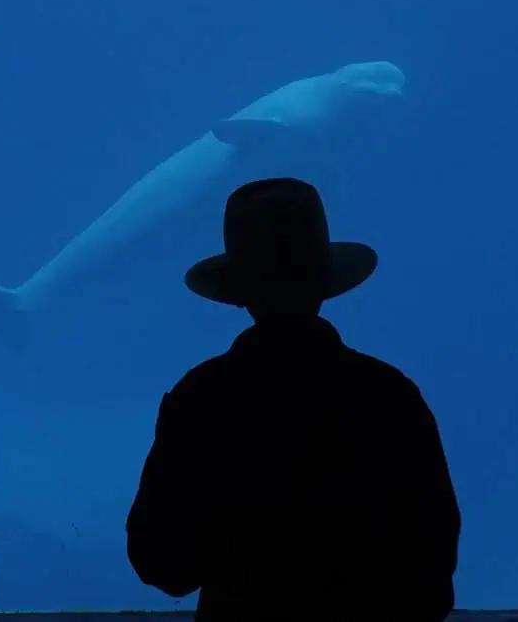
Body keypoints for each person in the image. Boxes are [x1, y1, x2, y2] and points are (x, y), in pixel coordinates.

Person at [126, 178, 460, 621]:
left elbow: (161, 561)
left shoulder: (202, 399)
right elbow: (432, 565)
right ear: (324, 283)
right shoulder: (388, 395)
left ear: (239, 291)